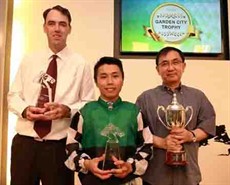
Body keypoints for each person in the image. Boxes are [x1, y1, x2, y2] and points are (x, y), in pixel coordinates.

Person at [8, 5, 95, 185]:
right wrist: (25, 110)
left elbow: (89, 104)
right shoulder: (29, 59)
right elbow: (13, 96)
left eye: (62, 24)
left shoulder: (81, 64)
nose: (57, 29)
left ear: (69, 29)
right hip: (25, 144)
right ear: (44, 27)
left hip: (59, 146)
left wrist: (67, 110)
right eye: (52, 23)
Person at [65, 56, 153, 185]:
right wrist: (87, 164)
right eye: (103, 77)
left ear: (123, 79)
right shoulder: (84, 113)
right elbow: (70, 147)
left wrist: (130, 166)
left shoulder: (134, 112)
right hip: (91, 181)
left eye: (115, 76)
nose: (110, 82)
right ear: (96, 81)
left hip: (128, 181)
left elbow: (147, 146)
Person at [136, 47, 216, 185]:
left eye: (175, 62)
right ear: (157, 69)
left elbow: (208, 125)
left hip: (189, 175)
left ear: (183, 66)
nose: (170, 68)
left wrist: (190, 135)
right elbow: (137, 131)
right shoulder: (145, 98)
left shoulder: (198, 96)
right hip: (155, 176)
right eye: (164, 64)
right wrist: (162, 143)